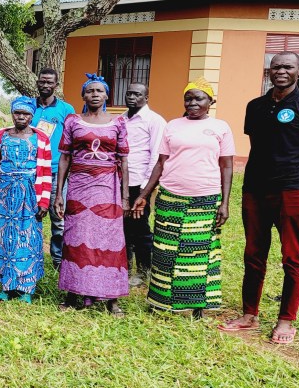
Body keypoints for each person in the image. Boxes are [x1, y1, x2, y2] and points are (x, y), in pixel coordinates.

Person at [219, 51, 299, 345]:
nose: (281, 71)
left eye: (288, 67)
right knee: (253, 253)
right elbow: (260, 146)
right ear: (268, 71)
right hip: (254, 189)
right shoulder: (255, 106)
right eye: (276, 66)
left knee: (293, 256)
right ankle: (249, 315)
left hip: (291, 191)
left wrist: (298, 181)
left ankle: (286, 319)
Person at [131, 79, 233, 317]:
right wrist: (144, 194)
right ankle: (161, 303)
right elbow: (161, 163)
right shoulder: (173, 126)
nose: (193, 103)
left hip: (205, 199)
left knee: (197, 253)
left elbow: (226, 166)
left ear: (210, 101)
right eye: (188, 98)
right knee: (165, 250)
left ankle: (195, 307)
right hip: (170, 198)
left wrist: (225, 203)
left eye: (199, 98)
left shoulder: (220, 127)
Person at [52, 74, 129, 316]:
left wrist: (125, 196)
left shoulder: (118, 122)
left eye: (99, 91)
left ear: (107, 95)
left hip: (107, 188)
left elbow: (124, 160)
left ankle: (111, 298)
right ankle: (73, 294)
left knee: (109, 239)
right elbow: (65, 157)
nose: (94, 94)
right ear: (83, 96)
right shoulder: (73, 121)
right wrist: (59, 193)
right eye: (90, 91)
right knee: (76, 238)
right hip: (78, 187)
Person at [0, 97, 52, 303]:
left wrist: (44, 201)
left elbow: (45, 171)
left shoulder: (41, 138)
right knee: (7, 239)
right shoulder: (1, 136)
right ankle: (7, 286)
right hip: (7, 194)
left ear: (32, 116)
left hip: (30, 194)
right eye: (17, 113)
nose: (21, 117)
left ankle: (27, 288)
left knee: (29, 238)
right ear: (12, 114)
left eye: (25, 114)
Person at [31, 67, 76, 271]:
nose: (45, 85)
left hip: (57, 171)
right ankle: (32, 257)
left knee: (58, 218)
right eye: (42, 81)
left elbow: (72, 140)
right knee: (33, 214)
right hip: (32, 170)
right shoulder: (29, 106)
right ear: (37, 83)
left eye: (50, 82)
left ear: (56, 85)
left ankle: (59, 262)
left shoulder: (66, 109)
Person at [121, 82, 166, 287]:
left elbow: (157, 155)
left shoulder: (155, 121)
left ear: (146, 98)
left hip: (141, 183)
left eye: (137, 94)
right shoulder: (120, 119)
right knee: (123, 227)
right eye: (129, 93)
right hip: (121, 182)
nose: (132, 97)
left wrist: (145, 190)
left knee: (140, 228)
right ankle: (124, 267)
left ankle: (143, 271)